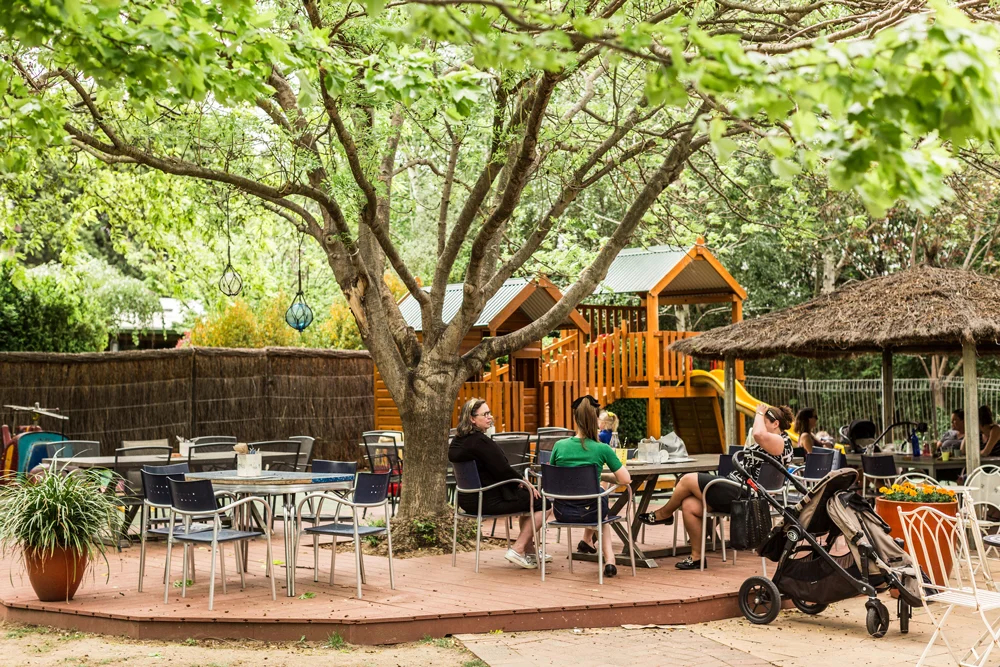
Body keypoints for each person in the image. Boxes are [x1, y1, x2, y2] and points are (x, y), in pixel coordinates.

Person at [637, 403, 795, 570]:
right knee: (689, 505)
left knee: (686, 479)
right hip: (735, 488)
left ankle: (664, 513)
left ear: (775, 424)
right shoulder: (773, 441)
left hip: (747, 495)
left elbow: (757, 433)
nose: (760, 424)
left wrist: (759, 412)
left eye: (765, 422)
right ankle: (697, 557)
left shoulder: (781, 442)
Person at [448, 398, 551, 569]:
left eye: (489, 413)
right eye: (485, 414)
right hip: (487, 500)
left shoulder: (457, 442)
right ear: (472, 419)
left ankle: (530, 551)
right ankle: (518, 549)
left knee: (527, 499)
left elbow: (495, 470)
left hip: (467, 500)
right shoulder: (480, 442)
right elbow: (502, 469)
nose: (490, 417)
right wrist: (524, 482)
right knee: (542, 503)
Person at [550, 395, 632, 578]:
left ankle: (589, 542)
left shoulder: (559, 446)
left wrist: (596, 476)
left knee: (597, 497)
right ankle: (610, 560)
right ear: (596, 421)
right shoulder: (602, 448)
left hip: (562, 511)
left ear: (575, 419)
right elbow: (626, 479)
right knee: (600, 502)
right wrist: (602, 477)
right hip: (592, 511)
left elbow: (555, 477)